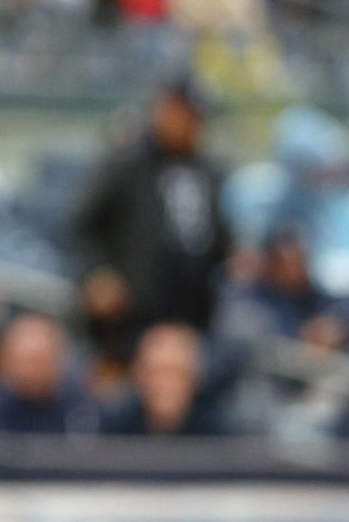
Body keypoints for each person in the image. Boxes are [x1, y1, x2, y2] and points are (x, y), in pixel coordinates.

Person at [70, 77, 230, 374]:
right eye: (185, 115)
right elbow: (81, 230)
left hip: (192, 321)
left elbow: (217, 242)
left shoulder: (210, 173)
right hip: (132, 321)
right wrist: (97, 273)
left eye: (197, 118)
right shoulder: (127, 166)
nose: (191, 125)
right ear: (163, 110)